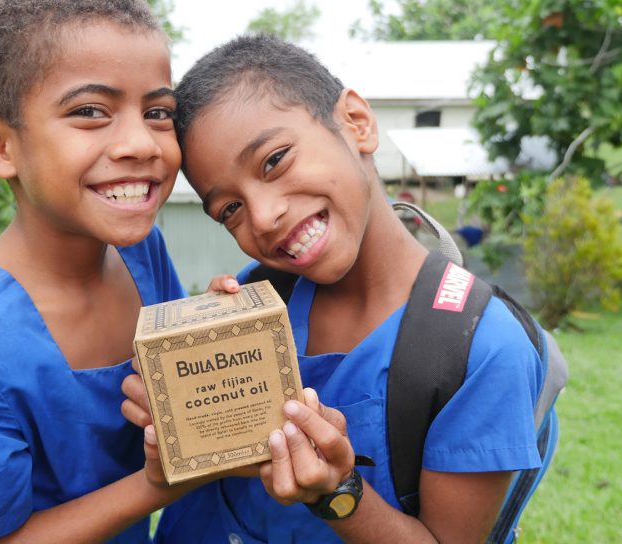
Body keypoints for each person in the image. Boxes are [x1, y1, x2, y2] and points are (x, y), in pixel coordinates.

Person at [122, 35, 544, 543]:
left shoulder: (478, 348)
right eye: (229, 209)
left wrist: (337, 493)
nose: (264, 215)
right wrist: (188, 411)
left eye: (275, 160)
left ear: (357, 123)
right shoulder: (259, 300)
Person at [0, 0, 192, 542]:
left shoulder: (141, 254)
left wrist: (225, 333)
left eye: (158, 112)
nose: (142, 142)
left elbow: (181, 408)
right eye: (90, 111)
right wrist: (156, 486)